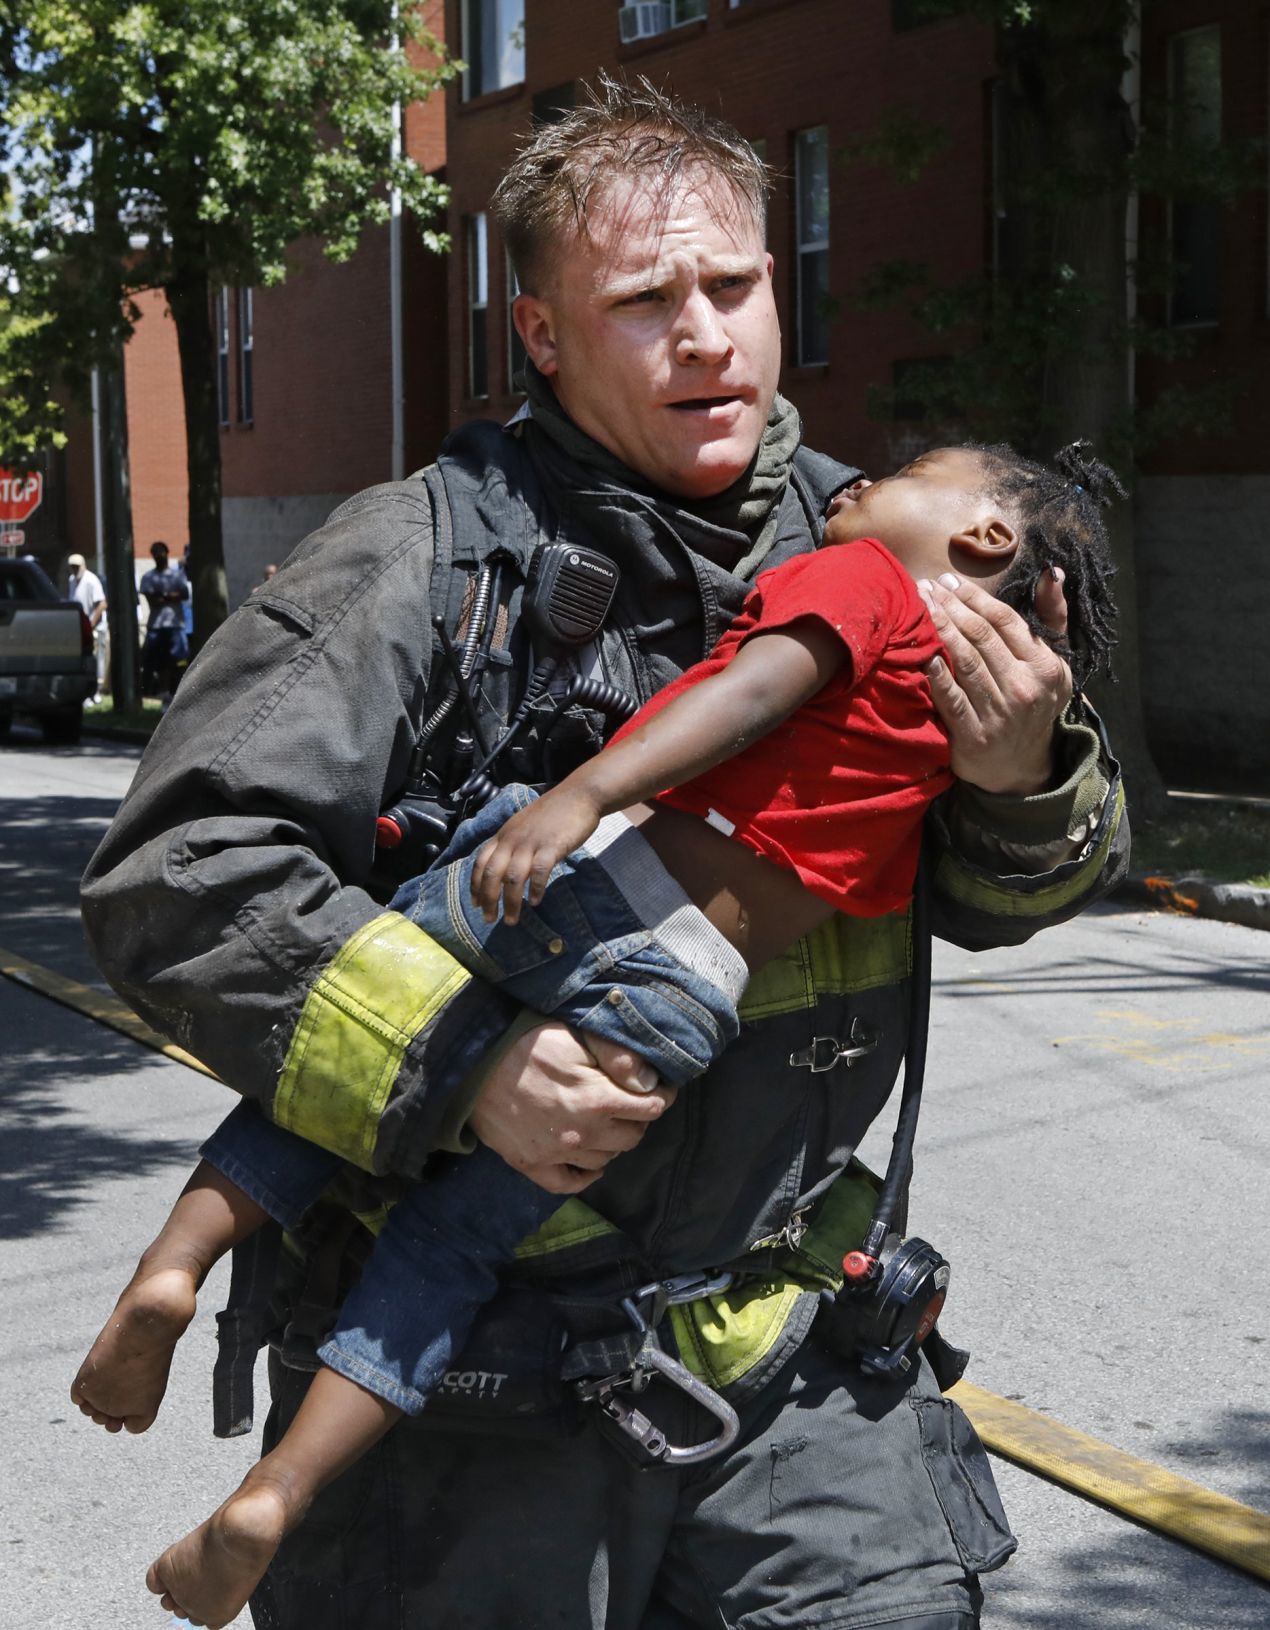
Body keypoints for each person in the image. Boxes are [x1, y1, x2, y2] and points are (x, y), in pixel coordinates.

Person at [80, 79, 1129, 1630]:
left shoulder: (903, 538)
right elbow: (179, 875)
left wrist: (1024, 774)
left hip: (786, 1374)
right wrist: (462, 1064)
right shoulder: (419, 556)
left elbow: (1002, 893)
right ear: (545, 337)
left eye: (734, 284)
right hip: (464, 1400)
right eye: (644, 300)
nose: (704, 332)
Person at [138, 540, 189, 703]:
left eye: (162, 552)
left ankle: (176, 691)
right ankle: (162, 691)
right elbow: (153, 600)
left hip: (175, 624)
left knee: (178, 660)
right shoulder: (148, 577)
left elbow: (184, 594)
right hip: (157, 625)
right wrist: (171, 595)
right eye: (156, 553)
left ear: (167, 553)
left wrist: (164, 596)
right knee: (156, 660)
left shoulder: (177, 575)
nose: (159, 556)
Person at [67, 552, 108, 702]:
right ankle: (85, 692)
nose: (74, 569)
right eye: (72, 566)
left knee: (96, 660)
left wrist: (90, 624)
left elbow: (102, 604)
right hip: (79, 629)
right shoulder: (72, 580)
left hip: (93, 627)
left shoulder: (91, 580)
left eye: (77, 566)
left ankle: (95, 691)